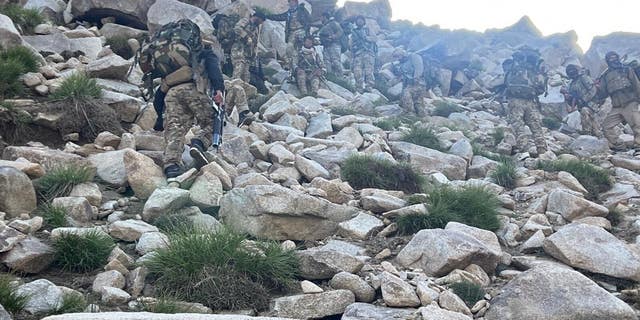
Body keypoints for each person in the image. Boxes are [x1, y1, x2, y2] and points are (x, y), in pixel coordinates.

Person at [139, 20, 225, 178]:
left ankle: (171, 166)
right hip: (193, 89)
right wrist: (219, 89)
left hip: (171, 94)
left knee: (175, 130)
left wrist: (159, 118)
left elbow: (159, 96)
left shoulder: (171, 66)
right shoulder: (204, 53)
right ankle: (199, 143)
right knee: (214, 121)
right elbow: (214, 71)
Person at [502, 46, 548, 156]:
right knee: (536, 127)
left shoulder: (515, 66)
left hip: (515, 100)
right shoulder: (535, 70)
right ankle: (543, 152)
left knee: (518, 124)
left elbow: (505, 81)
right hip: (531, 101)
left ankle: (523, 150)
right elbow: (541, 89)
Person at [597, 51, 640, 150]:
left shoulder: (626, 69)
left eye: (614, 57)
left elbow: (636, 84)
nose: (613, 59)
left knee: (637, 125)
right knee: (606, 126)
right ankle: (619, 145)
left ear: (618, 57)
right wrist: (598, 87)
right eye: (610, 58)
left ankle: (638, 145)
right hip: (616, 107)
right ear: (607, 61)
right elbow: (603, 94)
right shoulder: (605, 76)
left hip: (630, 103)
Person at [266, 0, 311, 71]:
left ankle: (301, 66)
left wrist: (308, 35)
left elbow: (308, 22)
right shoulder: (289, 13)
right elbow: (280, 17)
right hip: (292, 33)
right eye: (289, 1)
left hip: (301, 31)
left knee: (299, 49)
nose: (289, 3)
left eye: (291, 1)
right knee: (289, 49)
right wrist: (267, 16)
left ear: (295, 2)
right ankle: (292, 66)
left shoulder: (302, 10)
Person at [562, 64, 603, 137]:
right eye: (569, 72)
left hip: (592, 103)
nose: (572, 73)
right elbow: (572, 101)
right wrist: (568, 98)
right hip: (582, 107)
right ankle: (594, 136)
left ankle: (587, 133)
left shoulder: (583, 78)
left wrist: (584, 99)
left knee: (585, 112)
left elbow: (593, 90)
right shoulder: (571, 85)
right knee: (593, 125)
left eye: (573, 70)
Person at [231, 12, 265, 82]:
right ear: (257, 18)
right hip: (239, 48)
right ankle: (233, 86)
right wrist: (246, 37)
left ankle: (243, 90)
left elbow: (255, 42)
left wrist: (254, 53)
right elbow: (237, 29)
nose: (260, 24)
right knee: (239, 66)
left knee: (246, 74)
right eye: (261, 21)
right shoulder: (245, 21)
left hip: (248, 54)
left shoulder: (256, 28)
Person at [392, 48, 427, 116]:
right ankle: (422, 118)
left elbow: (419, 68)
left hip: (419, 83)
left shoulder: (414, 56)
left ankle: (409, 113)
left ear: (403, 54)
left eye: (398, 56)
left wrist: (416, 78)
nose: (397, 59)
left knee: (406, 93)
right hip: (411, 84)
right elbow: (405, 77)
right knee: (418, 103)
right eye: (396, 57)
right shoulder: (403, 63)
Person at [350, 15, 376, 93]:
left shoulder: (368, 30)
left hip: (368, 53)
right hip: (358, 54)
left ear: (364, 22)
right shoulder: (353, 31)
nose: (359, 21)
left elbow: (374, 38)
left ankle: (369, 87)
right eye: (358, 20)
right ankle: (359, 88)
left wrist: (366, 38)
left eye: (361, 20)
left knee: (369, 72)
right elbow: (351, 44)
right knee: (357, 72)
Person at [318, 11, 344, 78]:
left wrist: (333, 37)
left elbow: (340, 31)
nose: (320, 19)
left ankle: (340, 77)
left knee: (336, 62)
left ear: (324, 17)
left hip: (334, 45)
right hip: (326, 46)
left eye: (321, 17)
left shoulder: (333, 23)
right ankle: (330, 77)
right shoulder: (324, 26)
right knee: (327, 62)